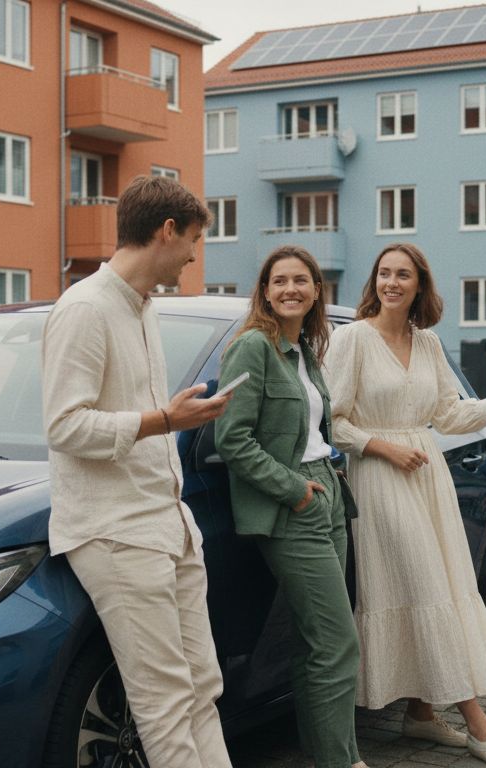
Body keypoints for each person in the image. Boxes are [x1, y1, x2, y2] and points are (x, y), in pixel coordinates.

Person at [326, 243, 486, 768]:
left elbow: (450, 416)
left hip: (426, 476)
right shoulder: (352, 340)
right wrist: (382, 447)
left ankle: (421, 713)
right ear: (375, 281)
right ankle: (480, 726)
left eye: (402, 274)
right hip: (380, 476)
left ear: (419, 285)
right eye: (383, 273)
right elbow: (332, 421)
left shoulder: (427, 342)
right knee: (425, 586)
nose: (391, 282)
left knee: (443, 585)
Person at [42, 175, 234, 768]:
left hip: (169, 525)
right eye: (194, 239)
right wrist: (163, 419)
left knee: (204, 685)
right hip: (116, 533)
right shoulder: (83, 309)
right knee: (164, 701)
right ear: (166, 230)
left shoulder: (144, 305)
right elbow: (65, 427)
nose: (196, 254)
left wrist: (170, 418)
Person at [215, 246, 369, 768]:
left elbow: (307, 427)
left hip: (328, 491)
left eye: (300, 280)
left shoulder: (303, 348)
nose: (290, 289)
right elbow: (232, 440)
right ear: (264, 291)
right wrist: (295, 488)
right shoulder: (252, 348)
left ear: (315, 290)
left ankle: (333, 754)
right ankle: (342, 761)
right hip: (291, 504)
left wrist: (329, 464)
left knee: (314, 642)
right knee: (337, 641)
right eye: (278, 281)